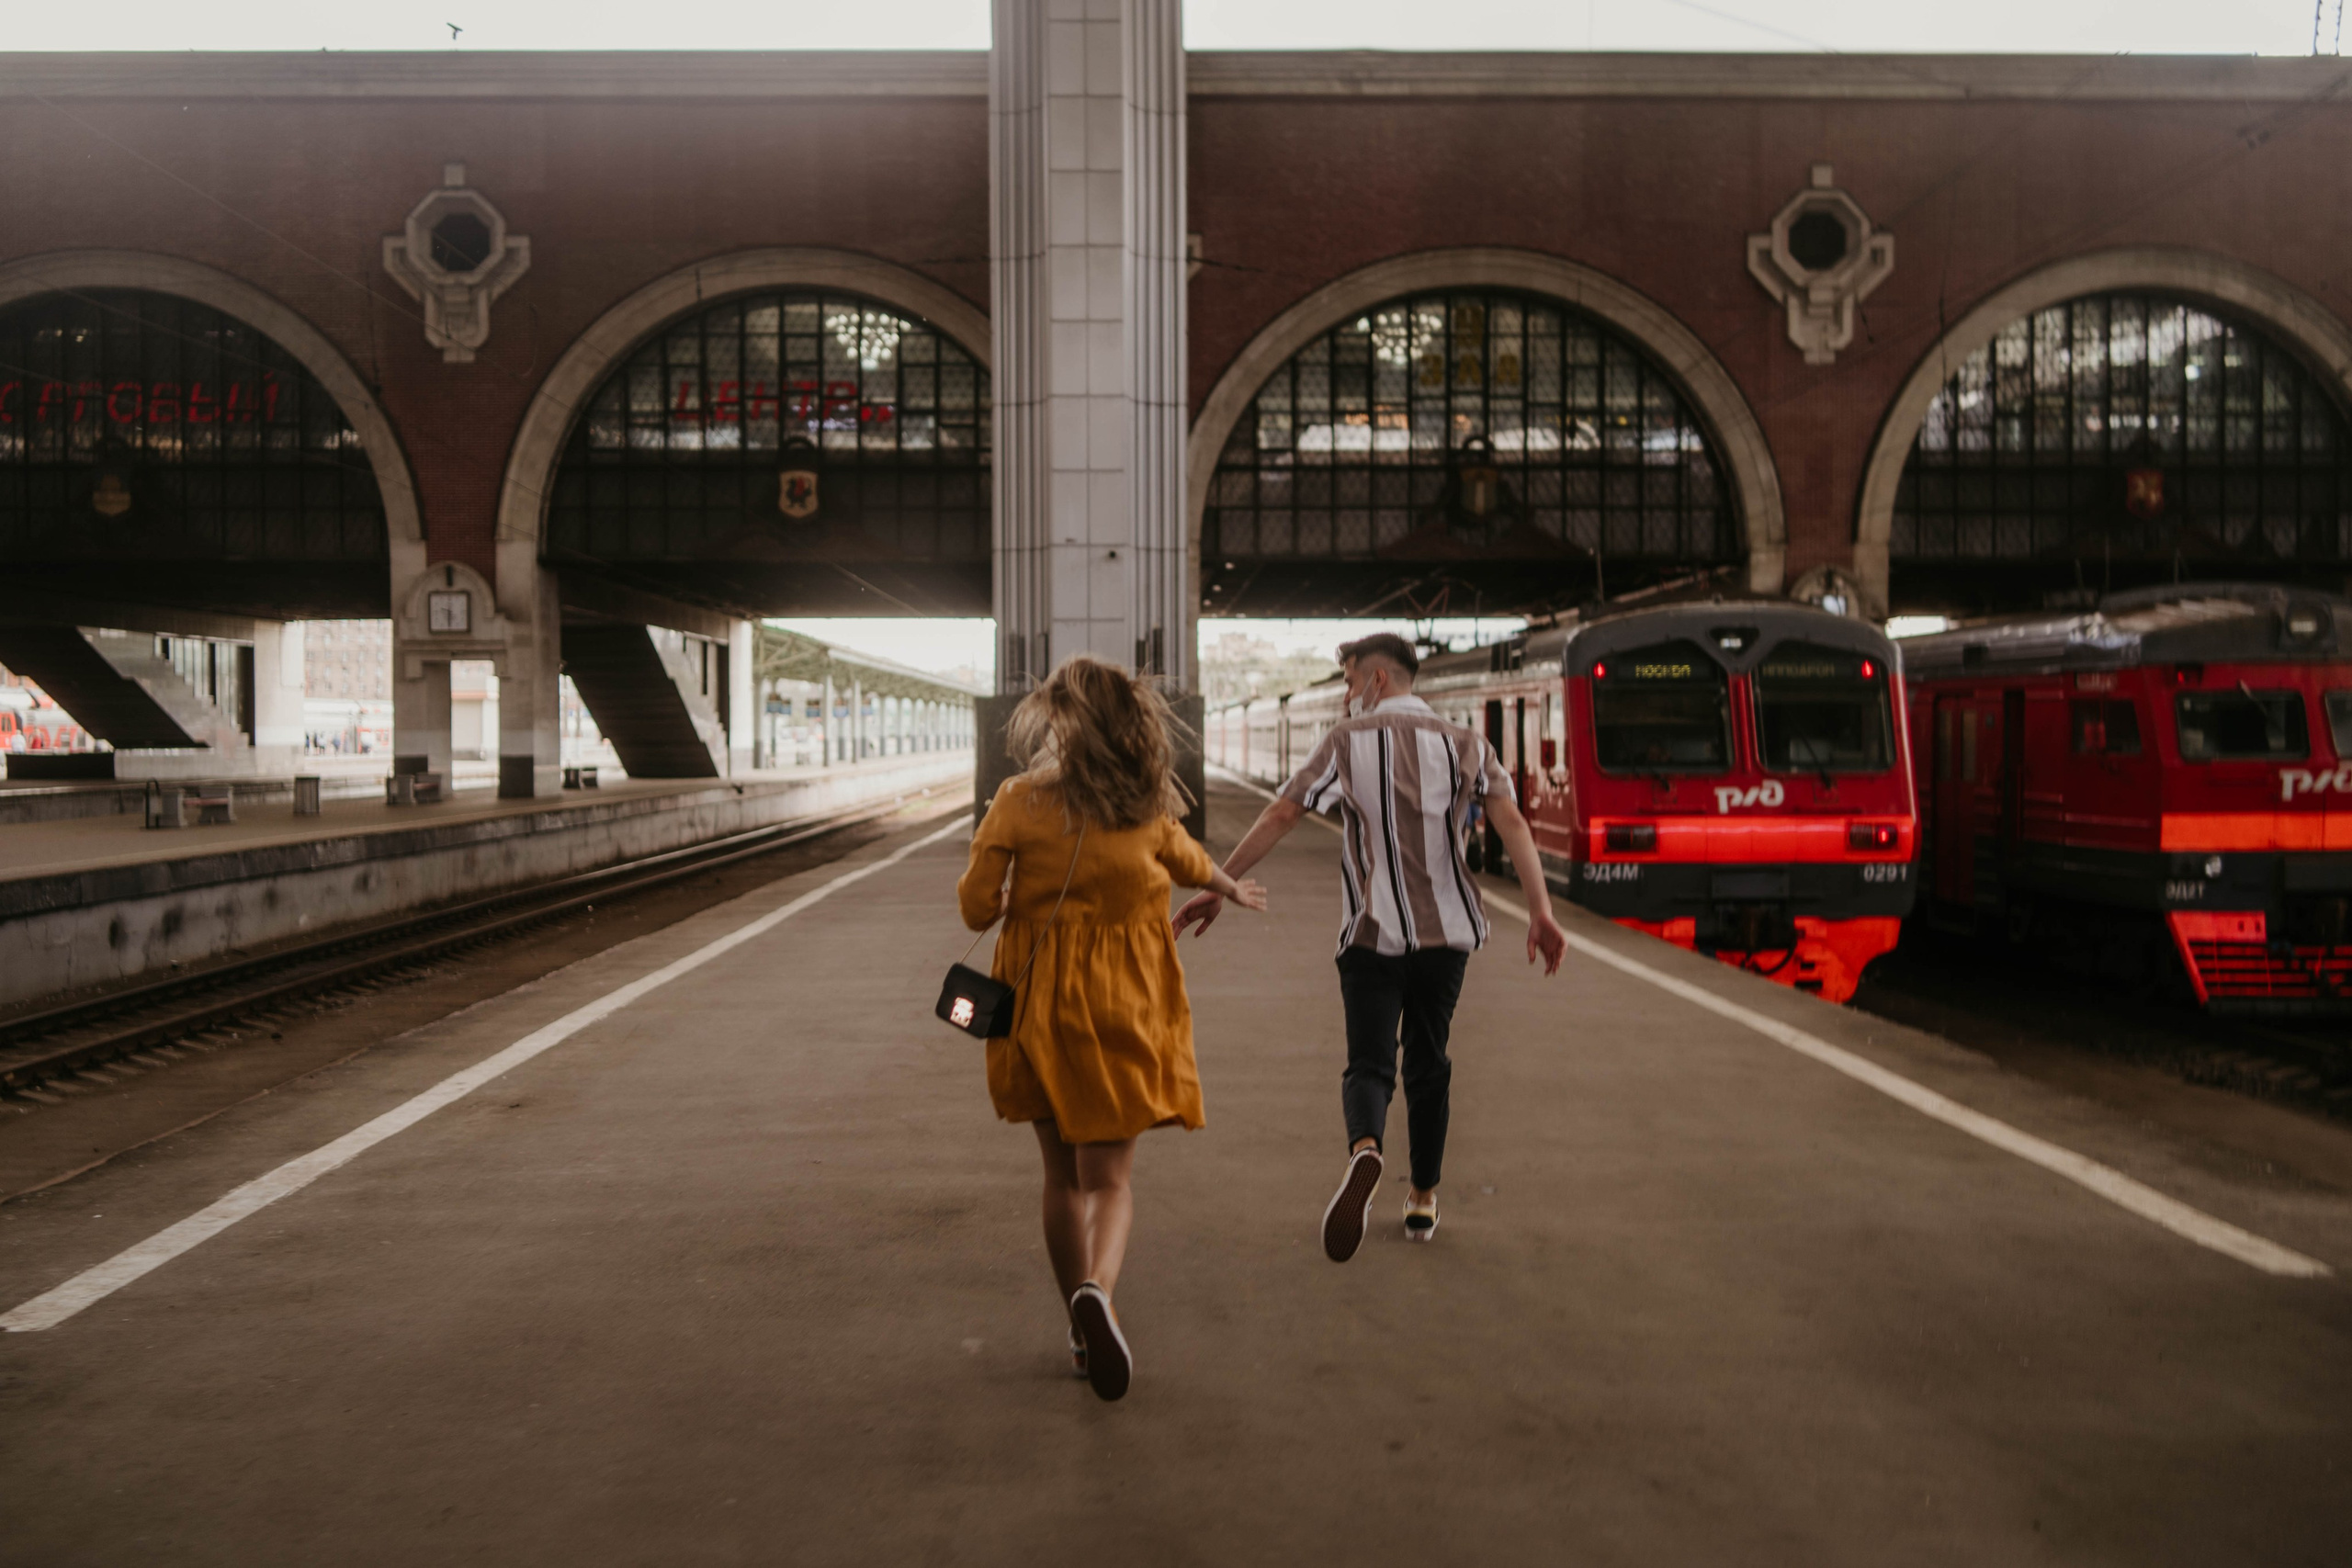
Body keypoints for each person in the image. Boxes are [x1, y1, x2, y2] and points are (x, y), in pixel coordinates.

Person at [1173, 632, 1567, 1260]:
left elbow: (1282, 813)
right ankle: (1422, 1197)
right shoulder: (1468, 743)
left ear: (1377, 681)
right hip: (1447, 936)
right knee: (1430, 1062)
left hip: (1370, 932)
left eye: (1351, 682)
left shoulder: (1346, 743)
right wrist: (1541, 911)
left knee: (1369, 1064)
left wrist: (1219, 883)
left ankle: (1366, 1150)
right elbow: (1513, 822)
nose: (1348, 696)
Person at [957, 655, 1267, 1402]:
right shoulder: (1141, 805)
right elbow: (1187, 857)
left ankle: (1077, 1321)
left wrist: (1004, 896)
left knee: (1059, 1177)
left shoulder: (1017, 800)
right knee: (1110, 1180)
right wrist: (1230, 884)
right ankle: (1099, 1287)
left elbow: (974, 907)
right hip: (1122, 1005)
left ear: (1057, 720)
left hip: (1035, 1003)